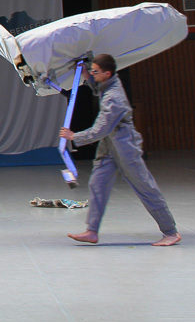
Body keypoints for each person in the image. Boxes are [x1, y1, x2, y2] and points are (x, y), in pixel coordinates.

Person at [60, 53, 180, 246]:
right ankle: (92, 231)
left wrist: (74, 136)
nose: (93, 73)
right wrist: (86, 75)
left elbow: (101, 129)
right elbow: (97, 88)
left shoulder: (114, 97)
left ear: (107, 73)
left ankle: (171, 232)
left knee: (145, 187)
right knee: (97, 184)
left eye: (95, 71)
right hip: (109, 147)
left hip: (125, 147)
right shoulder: (108, 84)